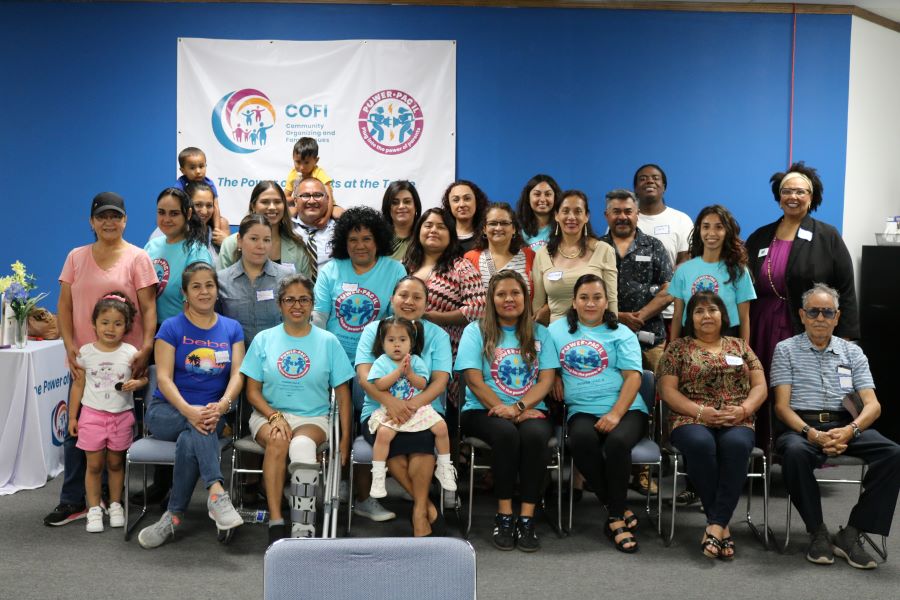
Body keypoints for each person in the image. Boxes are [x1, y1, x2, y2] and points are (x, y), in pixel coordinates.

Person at [44, 192, 158, 528]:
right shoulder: (76, 258)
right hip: (84, 362)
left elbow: (149, 309)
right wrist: (68, 346)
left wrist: (146, 349)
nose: (109, 222)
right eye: (102, 217)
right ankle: (73, 501)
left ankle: (111, 501)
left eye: (116, 216)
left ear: (125, 220)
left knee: (117, 434)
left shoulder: (138, 258)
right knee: (77, 430)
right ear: (92, 222)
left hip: (126, 361)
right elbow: (64, 307)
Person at [772, 283, 900, 569]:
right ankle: (817, 531)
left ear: (837, 316)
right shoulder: (785, 350)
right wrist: (812, 434)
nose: (820, 318)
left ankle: (852, 532)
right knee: (793, 453)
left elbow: (873, 405)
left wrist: (850, 431)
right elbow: (781, 406)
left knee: (893, 453)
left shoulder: (852, 353)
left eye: (827, 312)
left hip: (846, 423)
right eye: (814, 312)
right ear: (802, 315)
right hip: (801, 426)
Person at [746, 162, 860, 451]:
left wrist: (843, 339)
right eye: (786, 191)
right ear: (778, 195)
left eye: (800, 191)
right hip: (760, 325)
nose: (792, 197)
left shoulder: (828, 236)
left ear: (812, 197)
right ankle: (760, 450)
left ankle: (799, 450)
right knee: (760, 386)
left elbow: (845, 290)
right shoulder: (760, 236)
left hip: (806, 327)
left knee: (799, 389)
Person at [137, 262, 246, 549]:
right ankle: (217, 492)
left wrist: (222, 406)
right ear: (185, 292)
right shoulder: (172, 328)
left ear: (216, 290)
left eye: (209, 285)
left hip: (213, 413)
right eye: (196, 286)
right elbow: (162, 378)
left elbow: (237, 375)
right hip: (167, 411)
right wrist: (189, 410)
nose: (204, 291)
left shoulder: (232, 328)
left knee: (192, 437)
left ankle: (172, 517)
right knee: (197, 425)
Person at [240, 274, 353, 544]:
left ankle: (304, 526)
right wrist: (274, 416)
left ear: (312, 304)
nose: (297, 305)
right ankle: (277, 520)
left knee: (301, 445)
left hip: (312, 417)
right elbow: (252, 392)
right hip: (268, 414)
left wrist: (345, 439)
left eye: (304, 299)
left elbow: (343, 395)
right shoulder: (264, 339)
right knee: (278, 440)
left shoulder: (328, 341)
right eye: (289, 299)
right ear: (280, 304)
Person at [657, 291, 767, 560]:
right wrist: (701, 412)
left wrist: (744, 409)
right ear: (690, 318)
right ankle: (721, 525)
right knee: (700, 443)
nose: (706, 316)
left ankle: (715, 526)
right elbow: (667, 390)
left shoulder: (740, 346)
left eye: (712, 310)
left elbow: (760, 386)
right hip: (690, 416)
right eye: (698, 311)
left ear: (722, 315)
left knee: (737, 445)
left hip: (736, 417)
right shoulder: (678, 348)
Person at [455, 271, 559, 552]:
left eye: (515, 293)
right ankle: (504, 515)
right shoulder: (475, 331)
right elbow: (473, 380)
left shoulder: (541, 333)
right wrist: (506, 411)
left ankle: (527, 517)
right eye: (501, 294)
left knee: (536, 436)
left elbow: (547, 380)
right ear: (492, 299)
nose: (508, 299)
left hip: (531, 410)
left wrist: (519, 407)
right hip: (481, 411)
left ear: (525, 298)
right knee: (505, 435)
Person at [548, 275, 648, 552]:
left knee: (617, 443)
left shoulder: (622, 333)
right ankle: (618, 506)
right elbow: (542, 365)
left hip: (628, 408)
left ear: (607, 302)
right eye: (584, 298)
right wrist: (555, 374)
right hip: (581, 409)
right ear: (574, 302)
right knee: (580, 440)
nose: (590, 303)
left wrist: (616, 414)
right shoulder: (555, 332)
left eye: (597, 297)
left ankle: (615, 519)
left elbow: (633, 378)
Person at [355, 276, 454, 535]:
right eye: (403, 295)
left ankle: (420, 511)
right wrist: (391, 403)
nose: (409, 301)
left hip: (423, 410)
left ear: (426, 303)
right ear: (392, 299)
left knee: (421, 443)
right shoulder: (374, 330)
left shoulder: (438, 335)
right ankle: (427, 511)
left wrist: (409, 406)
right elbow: (365, 377)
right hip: (379, 410)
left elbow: (439, 381)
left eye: (417, 297)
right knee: (397, 447)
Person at [67, 293, 147, 533]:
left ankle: (115, 504)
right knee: (94, 465)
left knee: (115, 463)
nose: (110, 328)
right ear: (93, 324)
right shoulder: (86, 353)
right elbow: (78, 385)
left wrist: (138, 384)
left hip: (121, 417)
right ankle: (93, 509)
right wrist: (73, 416)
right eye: (104, 322)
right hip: (91, 416)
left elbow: (143, 378)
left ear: (127, 326)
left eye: (117, 323)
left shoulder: (131, 352)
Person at [366, 317, 456, 500]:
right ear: (382, 343)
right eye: (391, 340)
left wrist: (410, 374)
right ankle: (378, 474)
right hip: (389, 410)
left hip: (417, 409)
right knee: (383, 434)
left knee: (441, 427)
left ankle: (445, 466)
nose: (396, 345)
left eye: (402, 340)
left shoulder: (415, 360)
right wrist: (398, 372)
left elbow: (423, 384)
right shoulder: (381, 362)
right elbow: (379, 385)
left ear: (411, 343)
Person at [312, 206, 407, 363]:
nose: (360, 246)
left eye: (367, 239)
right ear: (344, 242)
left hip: (375, 359)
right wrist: (320, 355)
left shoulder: (395, 270)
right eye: (353, 240)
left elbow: (397, 319)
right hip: (333, 357)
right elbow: (319, 317)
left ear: (378, 240)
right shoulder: (331, 268)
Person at [599, 189, 673, 370]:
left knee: (654, 392)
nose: (622, 217)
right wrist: (618, 317)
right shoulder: (596, 247)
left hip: (650, 338)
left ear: (637, 214)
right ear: (606, 215)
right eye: (616, 211)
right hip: (605, 337)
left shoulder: (654, 246)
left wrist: (639, 317)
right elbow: (585, 292)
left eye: (628, 211)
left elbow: (669, 289)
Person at [404, 207, 485, 367]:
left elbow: (479, 309)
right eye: (428, 225)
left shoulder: (462, 267)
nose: (433, 230)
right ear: (419, 230)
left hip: (447, 353)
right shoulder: (405, 266)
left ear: (451, 235)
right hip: (402, 352)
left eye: (441, 227)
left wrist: (435, 318)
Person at [669, 205, 755, 344]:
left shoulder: (739, 271)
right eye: (706, 226)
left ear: (727, 231)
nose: (711, 233)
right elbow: (678, 316)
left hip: (728, 340)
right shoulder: (683, 270)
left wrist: (744, 352)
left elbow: (744, 318)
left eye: (719, 227)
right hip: (690, 340)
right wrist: (672, 351)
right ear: (699, 230)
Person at [532, 189, 618, 324]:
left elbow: (611, 301)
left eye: (578, 211)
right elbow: (537, 307)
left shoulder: (604, 250)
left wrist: (613, 331)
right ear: (556, 215)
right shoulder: (542, 254)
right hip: (556, 337)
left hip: (594, 337)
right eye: (565, 211)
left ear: (586, 216)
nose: (571, 217)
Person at [633, 163, 694, 339]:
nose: (649, 181)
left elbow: (686, 262)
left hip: (669, 311)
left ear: (664, 187)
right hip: (630, 313)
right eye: (642, 179)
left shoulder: (680, 220)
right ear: (636, 188)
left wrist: (662, 293)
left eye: (655, 178)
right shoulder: (625, 219)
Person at [217, 214, 295, 348]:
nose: (261, 246)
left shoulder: (287, 277)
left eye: (266, 240)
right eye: (254, 239)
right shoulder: (220, 280)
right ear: (240, 240)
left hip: (277, 357)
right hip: (237, 360)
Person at [145, 187, 213, 324]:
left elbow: (197, 304)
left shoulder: (197, 251)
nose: (166, 219)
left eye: (174, 213)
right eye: (161, 212)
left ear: (188, 214)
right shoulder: (151, 246)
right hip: (149, 330)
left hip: (180, 334)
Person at [217, 181, 312, 278]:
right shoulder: (230, 245)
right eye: (265, 202)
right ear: (253, 206)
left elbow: (305, 289)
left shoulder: (297, 247)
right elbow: (221, 287)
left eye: (277, 202)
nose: (272, 207)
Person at [464, 201, 536, 297]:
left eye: (504, 223)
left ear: (514, 228)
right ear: (484, 229)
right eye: (493, 223)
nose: (498, 228)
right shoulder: (470, 259)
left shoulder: (530, 256)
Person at [174, 146, 229, 244]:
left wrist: (217, 229)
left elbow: (215, 206)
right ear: (182, 170)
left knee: (223, 222)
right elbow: (177, 207)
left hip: (209, 223)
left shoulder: (210, 183)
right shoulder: (180, 185)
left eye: (201, 166)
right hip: (187, 220)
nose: (198, 171)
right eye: (192, 168)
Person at [284, 137, 341, 223]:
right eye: (298, 162)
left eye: (306, 162)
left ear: (316, 160)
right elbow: (285, 197)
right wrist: (298, 199)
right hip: (301, 206)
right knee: (288, 214)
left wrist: (326, 218)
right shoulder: (293, 174)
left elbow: (329, 199)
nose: (302, 167)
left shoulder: (320, 174)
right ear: (293, 158)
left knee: (340, 214)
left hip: (327, 206)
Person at [291, 177, 337, 280]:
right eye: (305, 195)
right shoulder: (284, 228)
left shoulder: (341, 229)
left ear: (327, 199)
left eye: (317, 195)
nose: (311, 201)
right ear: (295, 201)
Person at [516, 174, 562, 252]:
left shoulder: (563, 227)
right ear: (528, 197)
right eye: (537, 194)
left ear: (555, 197)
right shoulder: (517, 229)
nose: (543, 199)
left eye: (548, 194)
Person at [440, 179, 488, 253]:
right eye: (456, 200)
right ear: (449, 205)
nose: (462, 204)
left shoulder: (487, 235)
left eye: (467, 199)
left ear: (477, 201)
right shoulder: (442, 236)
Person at [380, 180, 422, 261]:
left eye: (407, 202)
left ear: (416, 206)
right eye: (395, 203)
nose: (401, 206)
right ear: (388, 207)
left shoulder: (425, 236)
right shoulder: (378, 238)